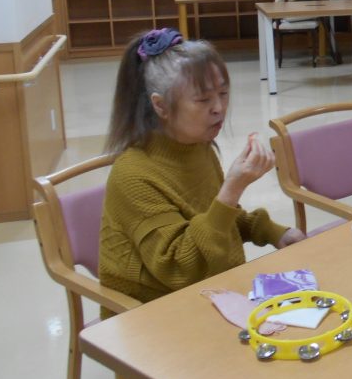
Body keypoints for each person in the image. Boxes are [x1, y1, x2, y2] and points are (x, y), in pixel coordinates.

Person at [98, 28, 303, 310]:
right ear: (161, 106)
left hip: (213, 289)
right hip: (156, 309)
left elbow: (218, 220)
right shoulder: (132, 176)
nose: (219, 108)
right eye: (203, 99)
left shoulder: (198, 146)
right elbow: (180, 268)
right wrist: (232, 188)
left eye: (223, 93)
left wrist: (271, 231)